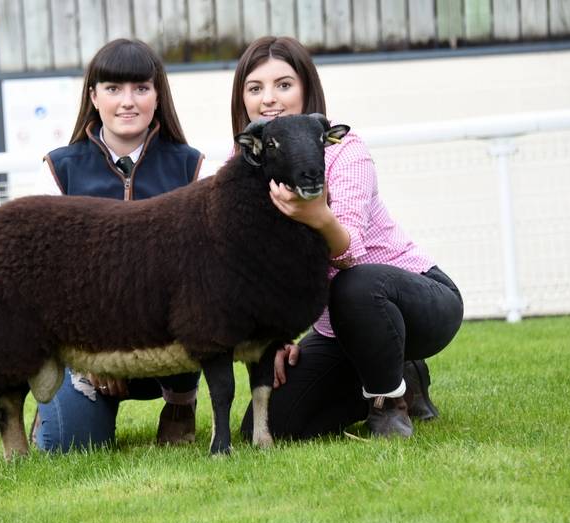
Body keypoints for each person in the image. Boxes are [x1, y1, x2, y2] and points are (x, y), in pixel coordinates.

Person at [231, 36, 464, 439]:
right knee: (271, 424)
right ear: (243, 100)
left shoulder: (344, 152)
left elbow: (351, 252)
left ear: (307, 89)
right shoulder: (245, 170)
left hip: (415, 301)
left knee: (354, 286)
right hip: (336, 328)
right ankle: (396, 374)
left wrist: (318, 215)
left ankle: (390, 403)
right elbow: (256, 270)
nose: (269, 98)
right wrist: (279, 336)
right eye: (255, 88)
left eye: (283, 84)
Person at [33, 38, 204, 452]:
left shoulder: (191, 166)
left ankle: (181, 403)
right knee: (69, 447)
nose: (128, 102)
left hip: (167, 347)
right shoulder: (60, 169)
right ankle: (53, 409)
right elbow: (47, 281)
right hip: (86, 348)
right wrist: (95, 351)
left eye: (141, 88)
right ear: (93, 97)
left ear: (157, 95)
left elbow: (202, 275)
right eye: (113, 89)